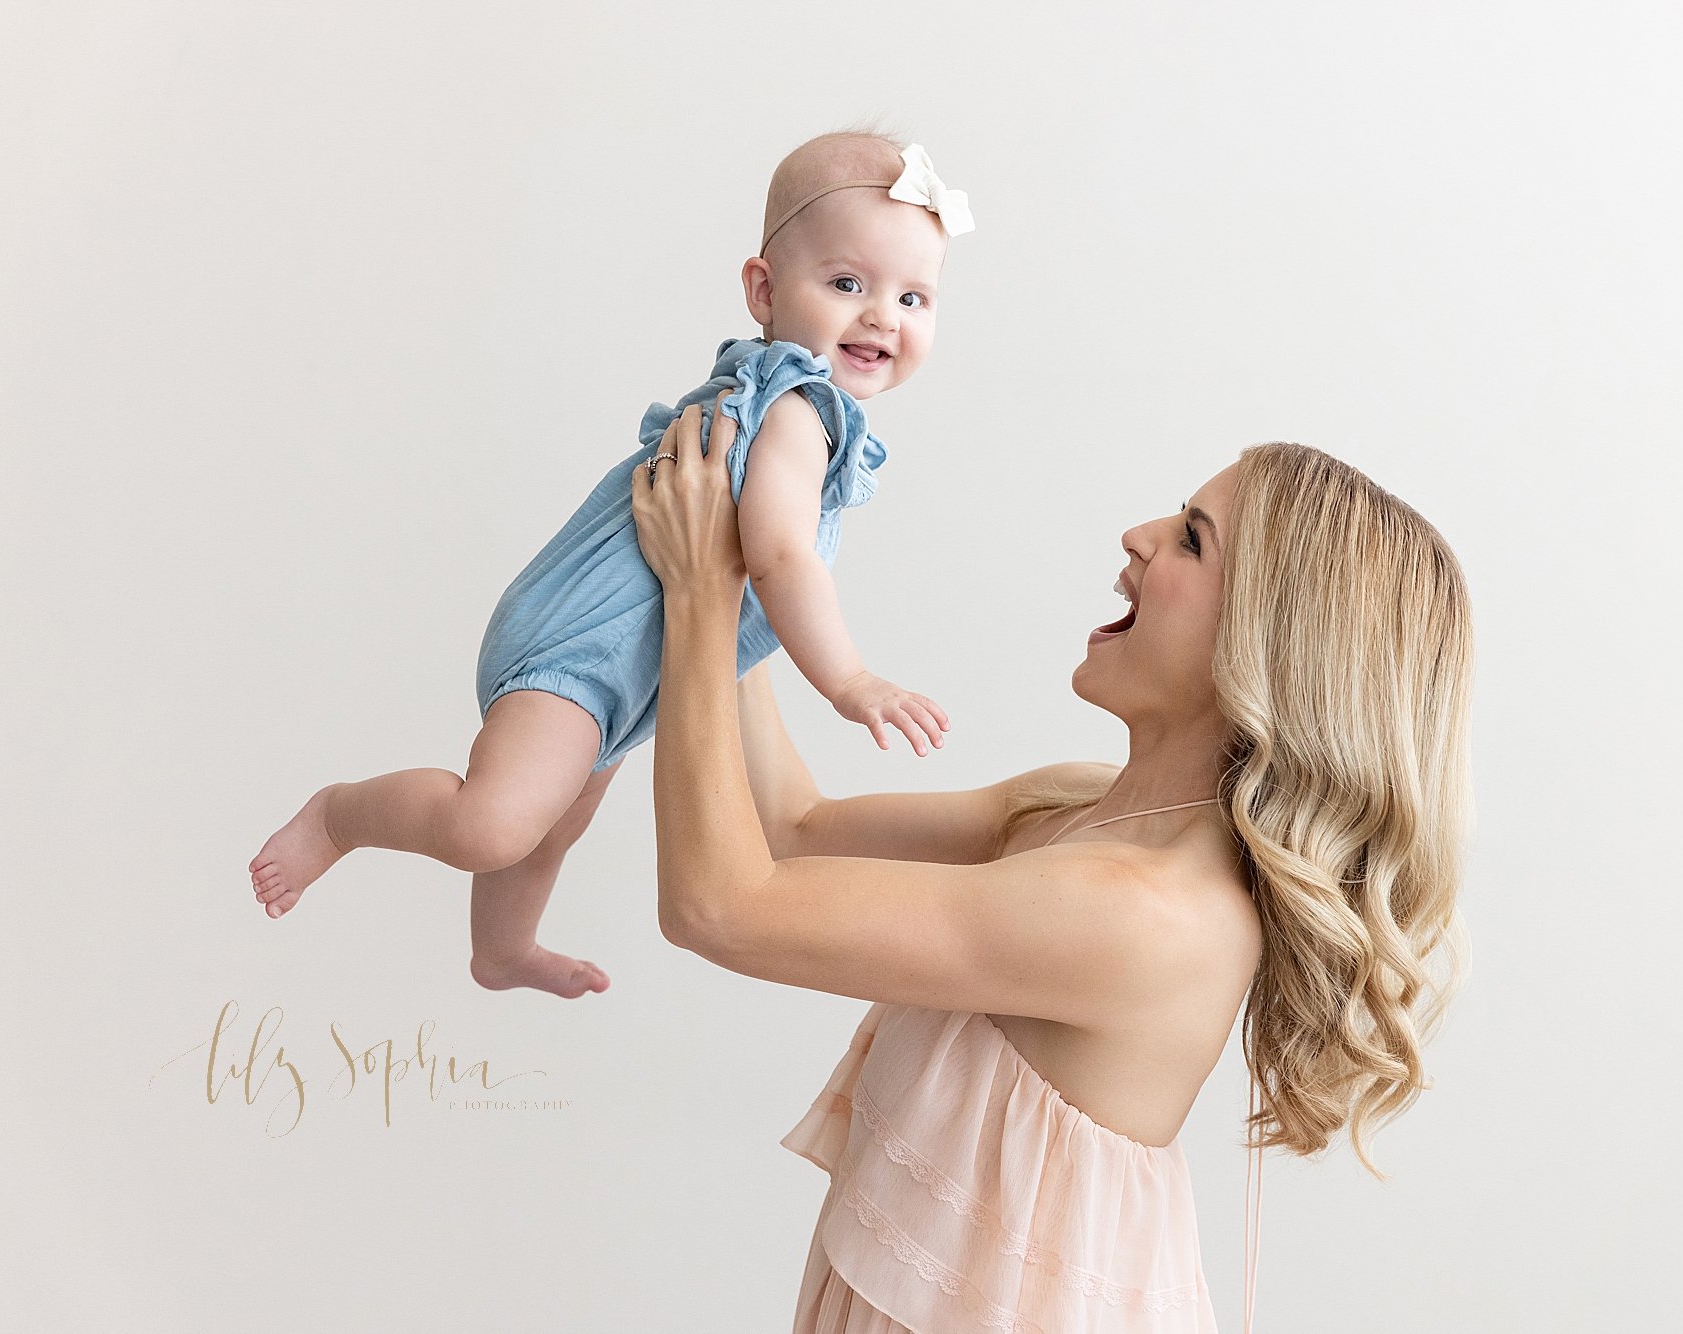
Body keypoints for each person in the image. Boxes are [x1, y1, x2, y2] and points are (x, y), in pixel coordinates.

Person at [632, 392, 1474, 1333]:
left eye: (1194, 540)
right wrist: (737, 570)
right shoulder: (1079, 809)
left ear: (1271, 646)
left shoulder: (1143, 911)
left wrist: (697, 594)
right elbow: (793, 828)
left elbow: (719, 905)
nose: (1140, 535)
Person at [246, 131, 973, 1001]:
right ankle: (339, 815)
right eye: (847, 283)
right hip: (582, 647)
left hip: (625, 671)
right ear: (764, 289)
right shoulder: (800, 408)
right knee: (494, 826)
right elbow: (779, 553)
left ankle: (502, 950)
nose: (882, 316)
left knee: (552, 826)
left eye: (914, 296)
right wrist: (850, 680)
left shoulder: (785, 396)